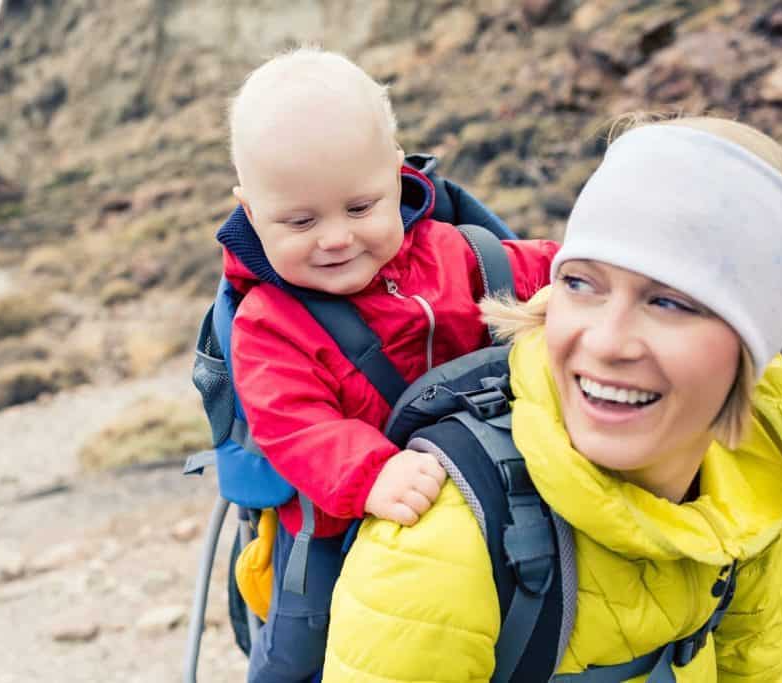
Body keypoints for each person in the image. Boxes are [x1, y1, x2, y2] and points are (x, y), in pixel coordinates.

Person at [323, 116, 782, 682]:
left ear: (754, 341)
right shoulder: (438, 548)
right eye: (581, 284)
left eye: (670, 303)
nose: (605, 342)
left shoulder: (748, 485)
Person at [219, 47, 560, 682]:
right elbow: (293, 424)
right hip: (340, 515)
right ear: (249, 209)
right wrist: (371, 472)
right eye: (299, 220)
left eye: (359, 207)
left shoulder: (456, 254)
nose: (336, 238)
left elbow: (550, 268)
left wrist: (596, 275)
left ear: (395, 174)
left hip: (495, 480)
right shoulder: (269, 320)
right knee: (303, 641)